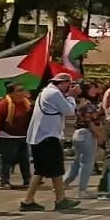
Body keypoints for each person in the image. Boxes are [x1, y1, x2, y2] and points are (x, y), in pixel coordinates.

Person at [21, 73, 81, 212]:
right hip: (47, 137)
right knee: (56, 169)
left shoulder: (47, 92)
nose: (69, 87)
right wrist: (71, 96)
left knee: (41, 170)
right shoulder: (54, 94)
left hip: (41, 137)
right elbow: (68, 110)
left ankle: (28, 200)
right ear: (63, 83)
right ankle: (60, 199)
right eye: (68, 84)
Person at [0, 82, 32, 189]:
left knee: (25, 160)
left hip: (22, 136)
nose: (22, 93)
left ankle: (27, 181)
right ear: (11, 93)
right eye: (19, 91)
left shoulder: (27, 103)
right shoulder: (3, 104)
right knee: (6, 160)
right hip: (7, 137)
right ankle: (4, 182)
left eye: (23, 90)